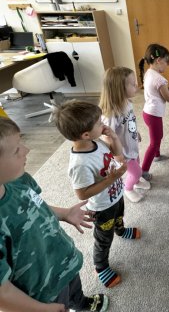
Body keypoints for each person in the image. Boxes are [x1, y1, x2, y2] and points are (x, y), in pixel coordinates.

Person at [0, 117, 109, 312]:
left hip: (61, 260)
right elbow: (3, 293)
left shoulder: (18, 180)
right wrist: (40, 309)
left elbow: (34, 205)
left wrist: (65, 213)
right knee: (61, 303)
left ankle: (80, 303)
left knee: (73, 287)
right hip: (42, 291)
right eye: (17, 150)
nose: (27, 150)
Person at [53, 100, 141, 289]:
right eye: (99, 123)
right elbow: (82, 193)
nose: (103, 124)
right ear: (85, 134)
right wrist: (112, 178)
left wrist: (114, 137)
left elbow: (116, 153)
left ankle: (120, 230)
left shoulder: (95, 141)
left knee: (120, 215)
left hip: (115, 195)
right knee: (103, 238)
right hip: (101, 207)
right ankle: (100, 266)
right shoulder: (79, 164)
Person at [99, 66, 151, 204]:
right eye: (132, 84)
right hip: (123, 151)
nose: (137, 86)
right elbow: (106, 136)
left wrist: (135, 132)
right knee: (136, 171)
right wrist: (117, 155)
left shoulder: (127, 103)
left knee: (137, 163)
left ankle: (137, 181)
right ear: (120, 89)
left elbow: (130, 121)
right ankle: (128, 188)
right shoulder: (110, 114)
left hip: (132, 143)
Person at [139, 43, 169, 178]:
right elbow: (168, 98)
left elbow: (162, 92)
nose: (166, 66)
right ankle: (144, 171)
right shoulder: (159, 79)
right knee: (154, 143)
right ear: (158, 60)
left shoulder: (149, 73)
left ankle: (157, 156)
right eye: (166, 62)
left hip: (148, 112)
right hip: (153, 115)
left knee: (158, 137)